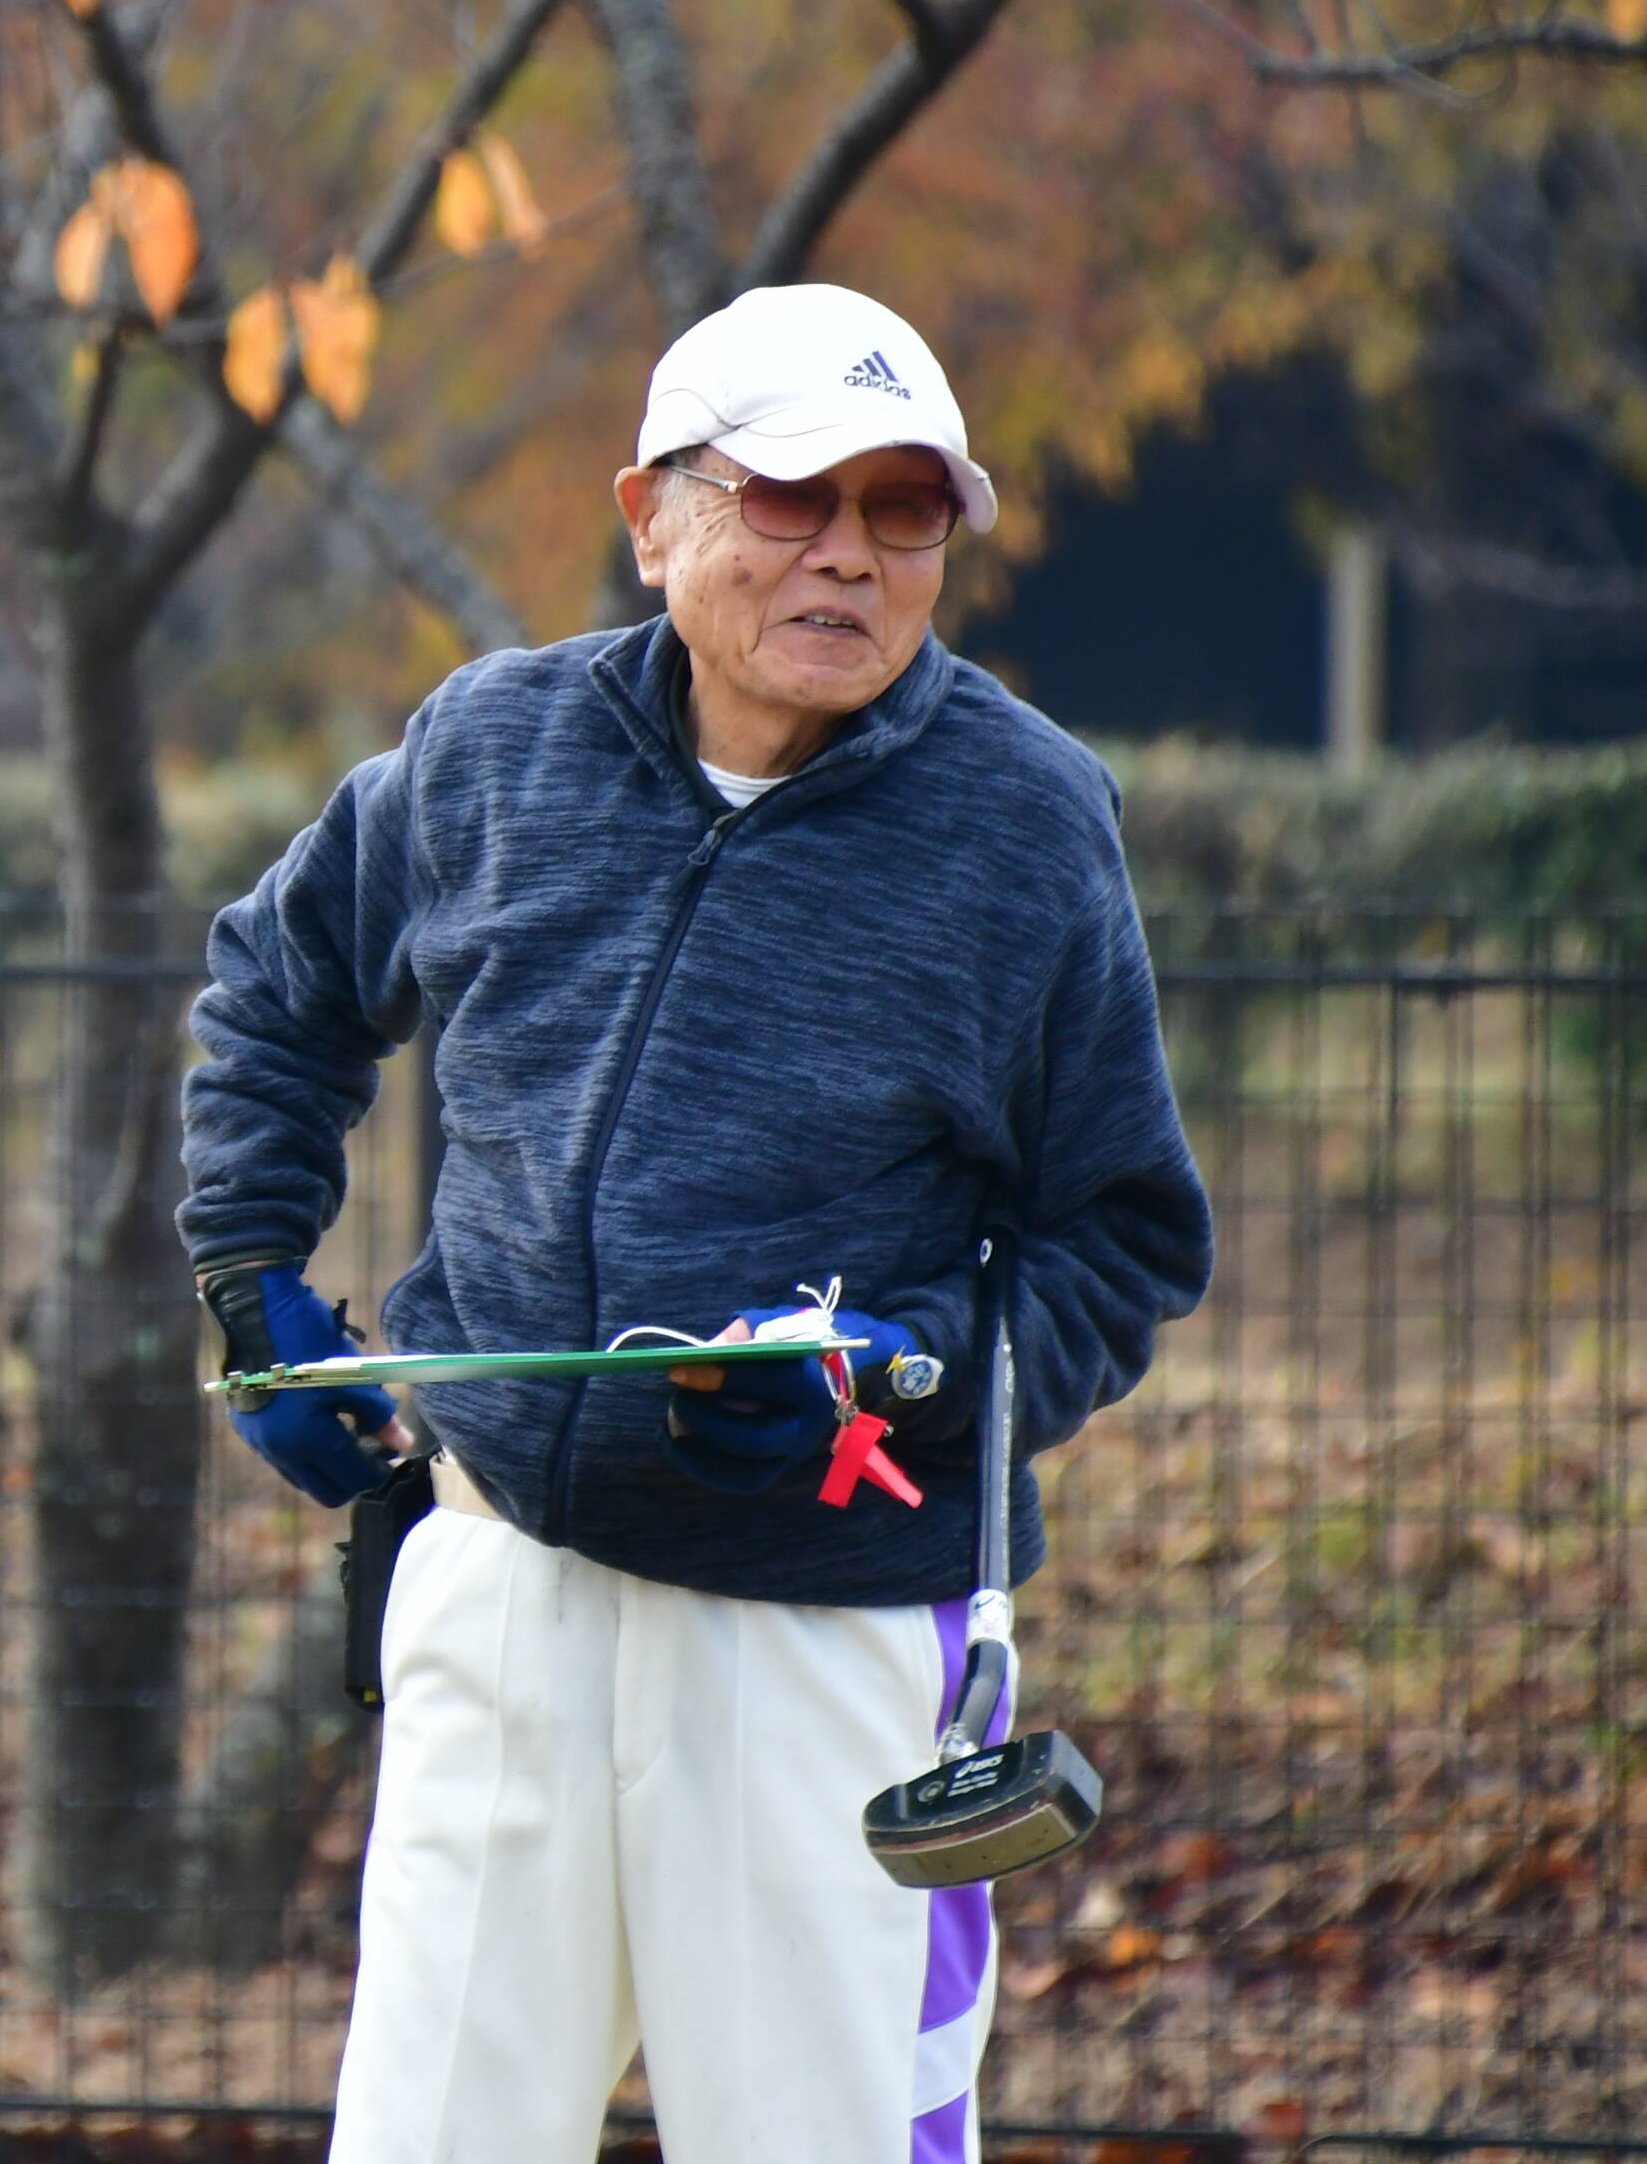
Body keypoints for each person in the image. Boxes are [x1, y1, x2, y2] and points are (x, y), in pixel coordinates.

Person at [180, 285, 1213, 2164]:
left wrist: (898, 1390)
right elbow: (275, 987)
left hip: (816, 1644)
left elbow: (1121, 1243)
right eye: (794, 495)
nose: (849, 556)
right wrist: (255, 1286)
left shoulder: (1027, 825)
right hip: (496, 1583)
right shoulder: (492, 747)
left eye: (905, 511)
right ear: (650, 515)